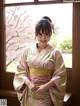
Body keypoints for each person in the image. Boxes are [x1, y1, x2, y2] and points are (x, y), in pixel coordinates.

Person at [13, 17, 67, 106]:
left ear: (51, 34)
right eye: (40, 34)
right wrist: (28, 83)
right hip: (30, 93)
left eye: (47, 34)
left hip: (45, 94)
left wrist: (46, 86)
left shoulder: (55, 53)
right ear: (36, 34)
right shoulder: (27, 51)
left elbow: (60, 75)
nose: (43, 37)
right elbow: (20, 71)